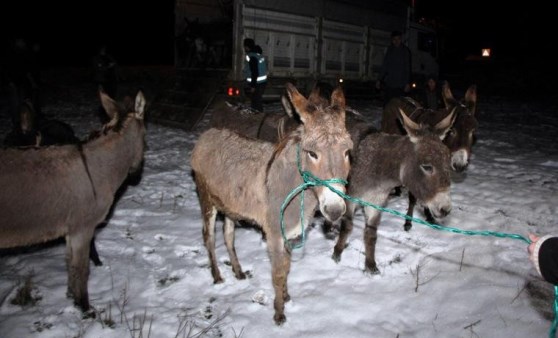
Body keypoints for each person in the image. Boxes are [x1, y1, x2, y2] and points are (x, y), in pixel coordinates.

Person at [376, 30, 411, 106]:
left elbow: (407, 68)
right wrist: (379, 79)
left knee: (399, 105)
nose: (396, 41)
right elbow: (385, 65)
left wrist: (407, 83)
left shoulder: (405, 51)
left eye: (398, 39)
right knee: (387, 104)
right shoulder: (390, 50)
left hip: (400, 84)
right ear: (392, 40)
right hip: (390, 83)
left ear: (401, 39)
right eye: (394, 39)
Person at [243, 38, 267, 112]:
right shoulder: (258, 54)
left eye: (245, 46)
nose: (244, 48)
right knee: (256, 101)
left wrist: (253, 86)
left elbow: (254, 72)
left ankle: (259, 118)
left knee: (256, 102)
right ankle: (256, 117)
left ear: (247, 46)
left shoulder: (252, 56)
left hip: (257, 83)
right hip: (261, 82)